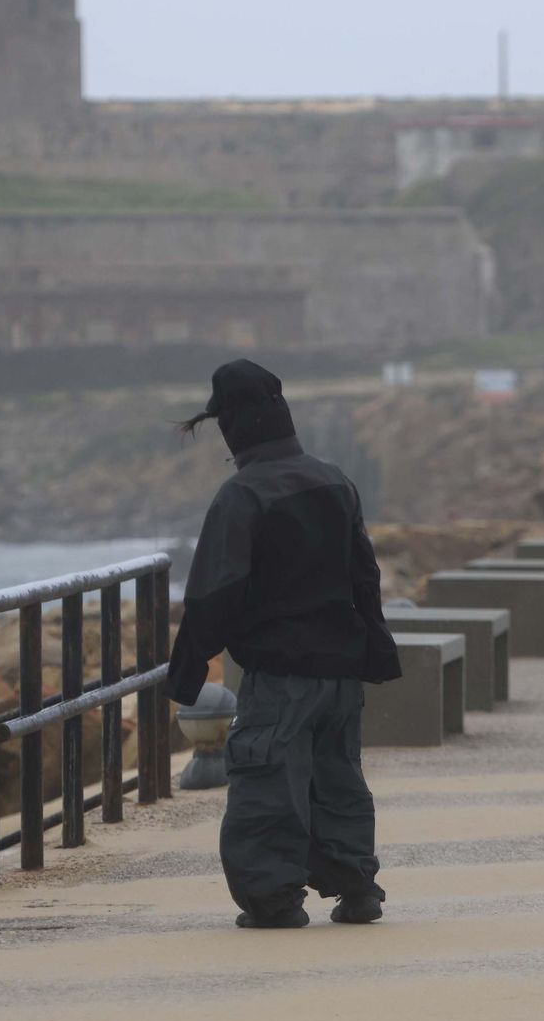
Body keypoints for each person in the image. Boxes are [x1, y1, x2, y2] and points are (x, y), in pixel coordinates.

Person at [168, 360, 401, 929]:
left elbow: (212, 594)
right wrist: (376, 650)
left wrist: (186, 672)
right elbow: (364, 574)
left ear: (231, 427)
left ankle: (274, 902)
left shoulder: (242, 495)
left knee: (268, 783)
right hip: (340, 671)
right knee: (339, 780)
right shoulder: (334, 480)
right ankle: (358, 889)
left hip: (279, 676)